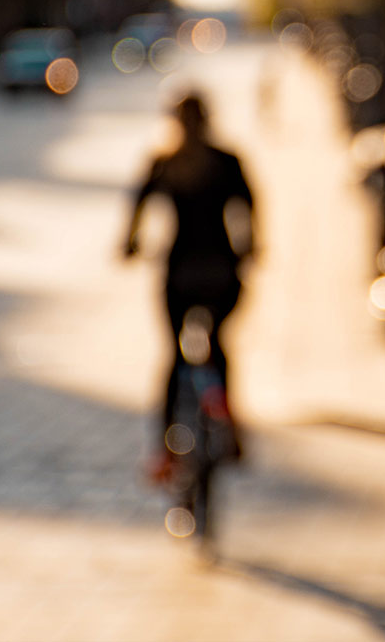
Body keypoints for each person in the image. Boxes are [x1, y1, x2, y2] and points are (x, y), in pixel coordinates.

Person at [123, 92, 255, 482]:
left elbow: (138, 207)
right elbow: (250, 205)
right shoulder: (226, 161)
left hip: (179, 271)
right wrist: (250, 245)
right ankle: (227, 421)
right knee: (218, 345)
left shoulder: (166, 163)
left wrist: (130, 243)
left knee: (174, 355)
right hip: (221, 270)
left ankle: (165, 450)